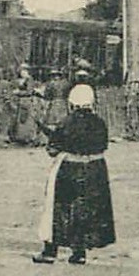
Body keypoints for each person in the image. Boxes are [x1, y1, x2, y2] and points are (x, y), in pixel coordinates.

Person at [33, 82, 116, 265]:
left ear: (71, 103)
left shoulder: (67, 122)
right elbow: (103, 145)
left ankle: (50, 251)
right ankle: (79, 252)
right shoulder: (100, 123)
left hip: (69, 168)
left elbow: (53, 150)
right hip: (95, 170)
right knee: (84, 210)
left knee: (57, 209)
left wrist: (52, 138)